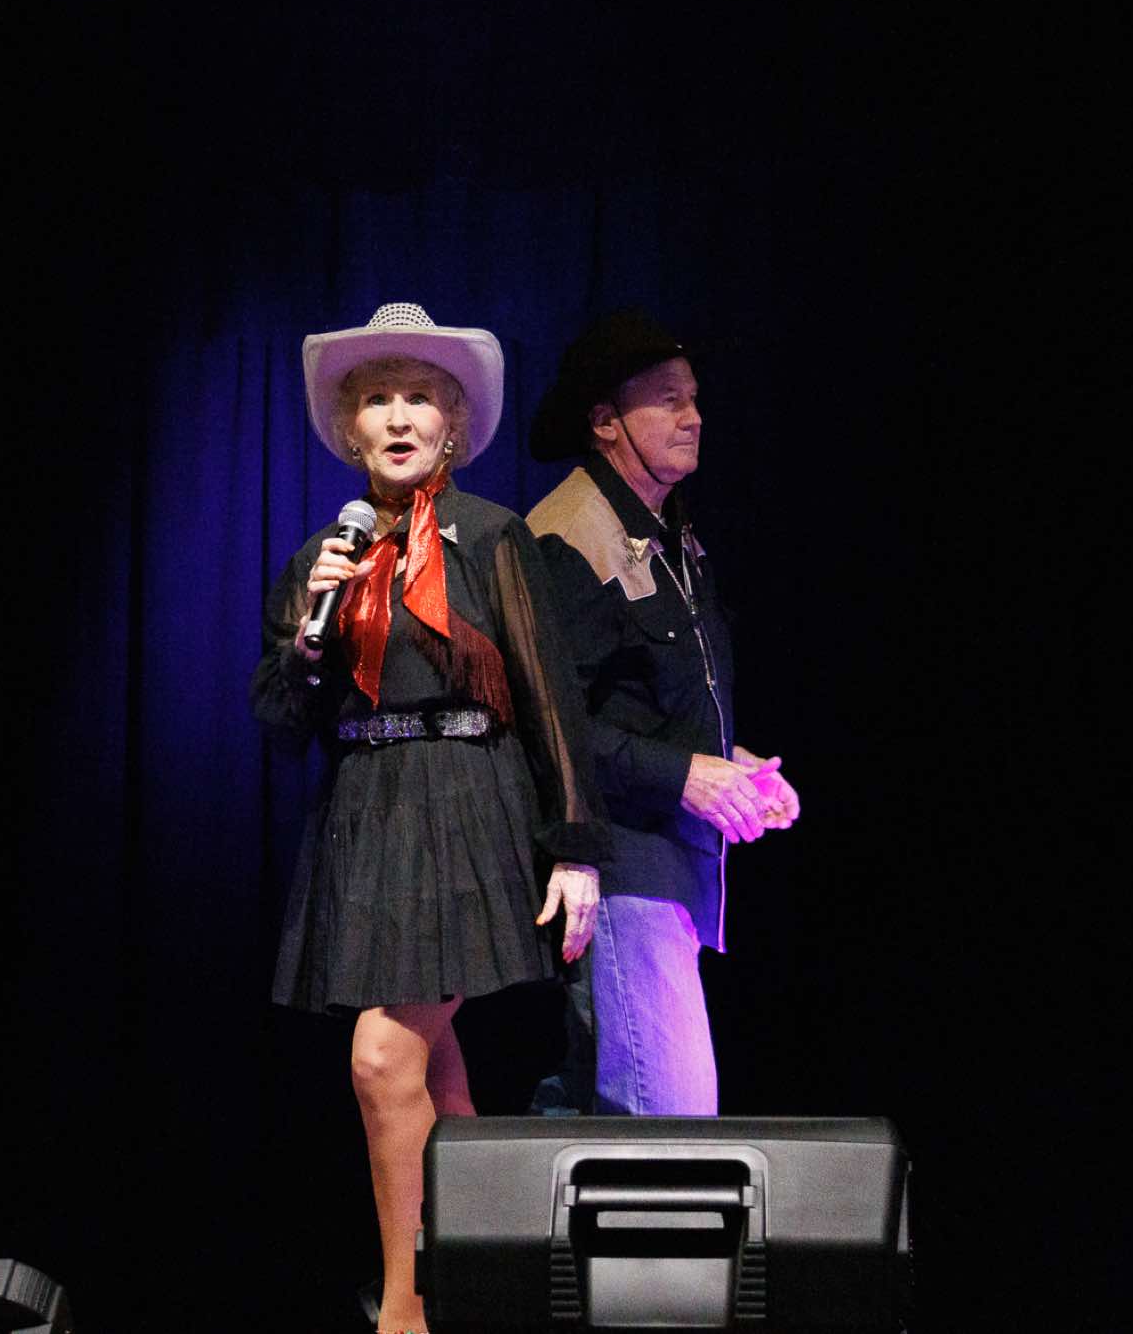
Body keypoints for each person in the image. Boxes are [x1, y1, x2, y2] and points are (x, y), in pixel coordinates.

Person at [252, 302, 613, 1334]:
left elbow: (549, 694)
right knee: (436, 1080)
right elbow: (279, 722)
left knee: (381, 1055)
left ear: (452, 425)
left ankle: (405, 1313)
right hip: (369, 814)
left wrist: (575, 848)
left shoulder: (491, 535)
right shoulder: (322, 557)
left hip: (469, 801)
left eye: (418, 398)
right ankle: (493, 1286)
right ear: (350, 428)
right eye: (377, 400)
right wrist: (309, 643)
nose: (398, 416)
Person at [523, 307, 801, 1117]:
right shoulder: (567, 539)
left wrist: (730, 765)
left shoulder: (668, 532)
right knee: (669, 1124)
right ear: (606, 421)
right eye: (669, 400)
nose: (694, 416)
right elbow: (552, 727)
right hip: (620, 870)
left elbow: (643, 700)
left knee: (605, 1108)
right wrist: (685, 774)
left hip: (668, 871)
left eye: (695, 398)